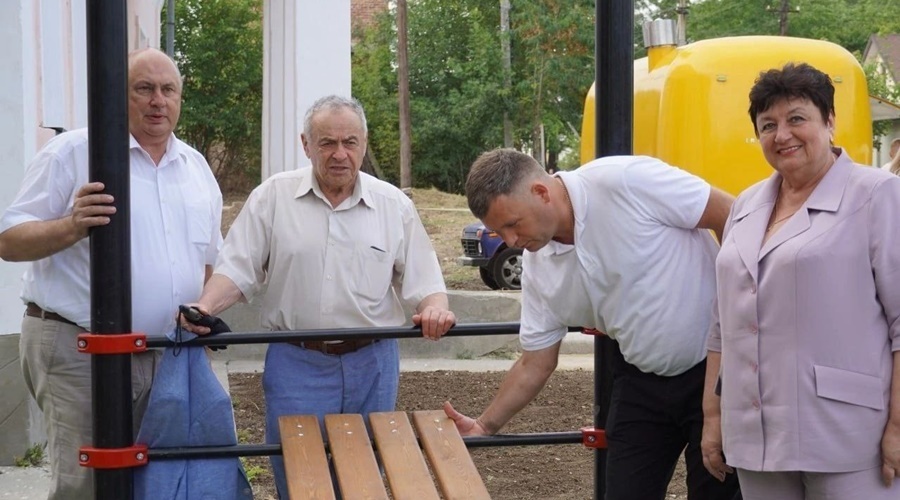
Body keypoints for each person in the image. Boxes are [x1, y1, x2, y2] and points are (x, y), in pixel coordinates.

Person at [183, 95, 456, 498]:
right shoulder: (273, 198)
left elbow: (425, 280)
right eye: (327, 143)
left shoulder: (393, 205)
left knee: (364, 483)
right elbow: (236, 269)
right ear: (306, 145)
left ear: (364, 144)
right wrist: (204, 308)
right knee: (300, 480)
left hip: (373, 365)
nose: (340, 154)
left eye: (350, 142)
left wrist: (435, 309)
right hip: (296, 364)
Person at [444, 148, 740, 500]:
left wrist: (742, 316)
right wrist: (484, 425)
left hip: (716, 371)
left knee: (717, 492)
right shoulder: (538, 269)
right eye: (498, 231)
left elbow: (730, 215)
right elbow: (535, 362)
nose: (510, 242)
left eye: (512, 224)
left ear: (541, 192)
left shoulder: (625, 180)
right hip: (639, 377)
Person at [0, 48, 223, 499]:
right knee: (88, 484)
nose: (157, 101)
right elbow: (8, 239)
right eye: (144, 89)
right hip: (78, 347)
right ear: (118, 96)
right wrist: (72, 225)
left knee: (157, 480)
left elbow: (206, 260)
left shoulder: (195, 168)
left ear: (180, 98)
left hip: (166, 354)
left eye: (168, 90)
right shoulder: (74, 153)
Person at [701, 62, 900, 499]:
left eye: (797, 118)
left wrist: (899, 427)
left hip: (847, 434)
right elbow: (721, 325)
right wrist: (713, 416)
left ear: (829, 121)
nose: (782, 135)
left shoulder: (877, 195)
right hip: (754, 431)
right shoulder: (747, 204)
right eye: (767, 124)